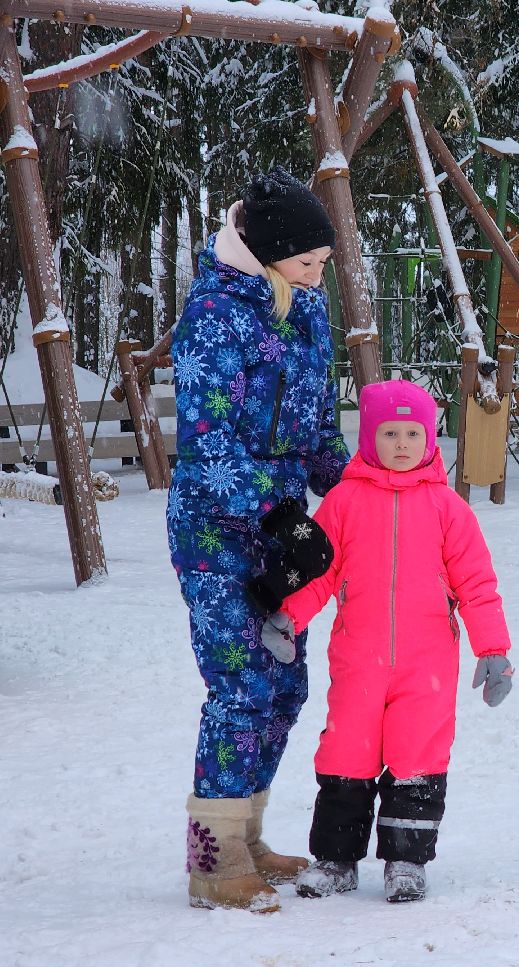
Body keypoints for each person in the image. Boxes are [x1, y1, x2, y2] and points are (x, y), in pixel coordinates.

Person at [168, 167, 348, 912]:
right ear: (270, 254)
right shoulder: (213, 315)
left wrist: (364, 495)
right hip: (216, 531)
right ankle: (213, 863)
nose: (318, 274)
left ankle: (245, 834)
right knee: (240, 685)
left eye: (323, 262)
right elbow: (206, 443)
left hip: (283, 533)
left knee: (284, 687)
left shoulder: (306, 309)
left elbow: (319, 430)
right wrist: (276, 514)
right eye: (307, 262)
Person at [262, 379, 514, 904]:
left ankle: (406, 861)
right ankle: (336, 860)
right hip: (359, 657)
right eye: (390, 433)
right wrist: (290, 616)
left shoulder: (448, 508)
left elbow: (477, 584)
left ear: (430, 439)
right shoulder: (344, 501)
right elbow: (319, 573)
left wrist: (493, 650)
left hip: (427, 662)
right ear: (370, 438)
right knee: (346, 751)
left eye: (413, 433)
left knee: (417, 753)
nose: (402, 444)